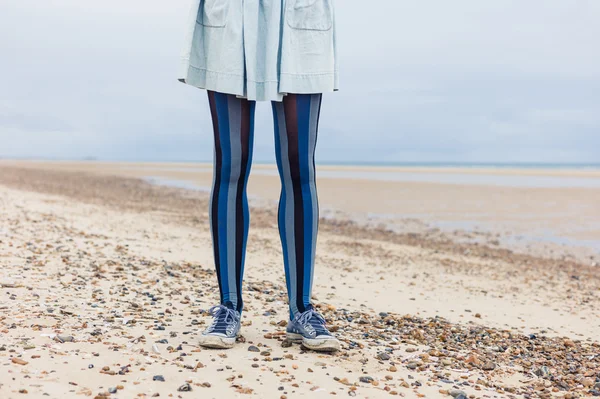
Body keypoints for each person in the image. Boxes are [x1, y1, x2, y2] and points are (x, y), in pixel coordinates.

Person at [178, 0, 339, 352]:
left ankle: (302, 310)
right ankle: (228, 307)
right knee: (231, 166)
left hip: (300, 19)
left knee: (299, 168)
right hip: (231, 18)